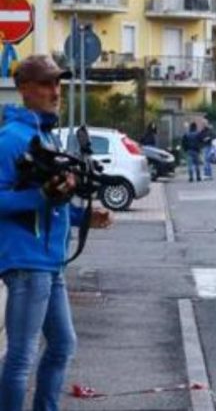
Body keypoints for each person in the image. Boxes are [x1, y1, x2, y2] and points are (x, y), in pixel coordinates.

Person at [0, 54, 112, 411]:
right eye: (46, 83)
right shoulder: (10, 139)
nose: (55, 91)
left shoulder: (45, 136)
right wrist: (42, 195)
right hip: (27, 261)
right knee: (21, 357)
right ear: (24, 89)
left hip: (51, 262)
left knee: (63, 345)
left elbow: (53, 202)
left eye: (58, 83)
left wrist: (83, 218)